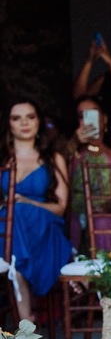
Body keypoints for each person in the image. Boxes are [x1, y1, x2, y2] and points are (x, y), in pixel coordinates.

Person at [0, 98, 73, 321]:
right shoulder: (2, 158)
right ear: (9, 124)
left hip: (45, 228)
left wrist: (27, 202)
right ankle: (25, 318)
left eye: (30, 117)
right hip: (6, 226)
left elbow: (60, 208)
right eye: (17, 118)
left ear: (39, 122)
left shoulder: (53, 158)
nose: (24, 123)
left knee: (19, 213)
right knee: (12, 216)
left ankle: (25, 318)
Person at [66, 95, 111, 252]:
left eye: (92, 114)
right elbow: (59, 179)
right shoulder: (69, 148)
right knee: (73, 222)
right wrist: (74, 143)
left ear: (104, 119)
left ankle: (104, 271)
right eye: (82, 116)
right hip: (77, 211)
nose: (87, 120)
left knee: (102, 221)